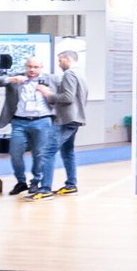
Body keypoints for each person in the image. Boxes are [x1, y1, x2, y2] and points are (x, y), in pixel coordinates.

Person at [0, 57, 58, 199]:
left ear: (41, 68)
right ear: (25, 66)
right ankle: (21, 181)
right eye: (29, 66)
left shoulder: (51, 79)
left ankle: (36, 181)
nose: (32, 70)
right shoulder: (17, 78)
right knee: (15, 153)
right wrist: (11, 79)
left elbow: (60, 96)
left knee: (39, 154)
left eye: (35, 67)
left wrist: (48, 93)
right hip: (19, 122)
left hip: (42, 121)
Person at [50, 50, 88, 195]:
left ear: (67, 59)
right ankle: (71, 185)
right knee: (67, 152)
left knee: (48, 151)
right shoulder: (81, 74)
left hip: (67, 119)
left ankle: (44, 188)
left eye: (60, 61)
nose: (59, 64)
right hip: (75, 118)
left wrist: (50, 95)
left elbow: (67, 97)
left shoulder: (69, 74)